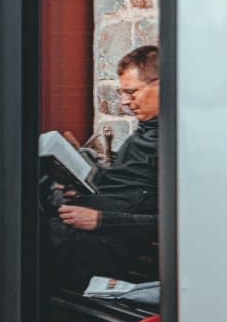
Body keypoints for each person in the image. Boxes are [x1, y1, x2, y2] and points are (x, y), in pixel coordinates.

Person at [49, 44, 160, 289]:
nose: (125, 102)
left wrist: (100, 220)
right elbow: (122, 187)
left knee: (27, 236)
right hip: (92, 232)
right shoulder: (139, 138)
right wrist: (80, 188)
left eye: (132, 93)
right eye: (122, 93)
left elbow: (177, 223)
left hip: (116, 246)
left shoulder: (177, 148)